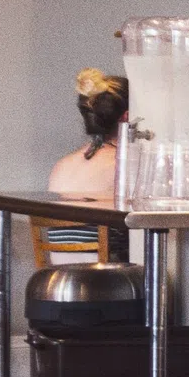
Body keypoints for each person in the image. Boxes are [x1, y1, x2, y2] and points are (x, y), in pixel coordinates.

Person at [43, 69, 128, 257]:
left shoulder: (62, 165)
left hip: (59, 278)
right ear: (127, 117)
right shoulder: (123, 166)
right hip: (107, 279)